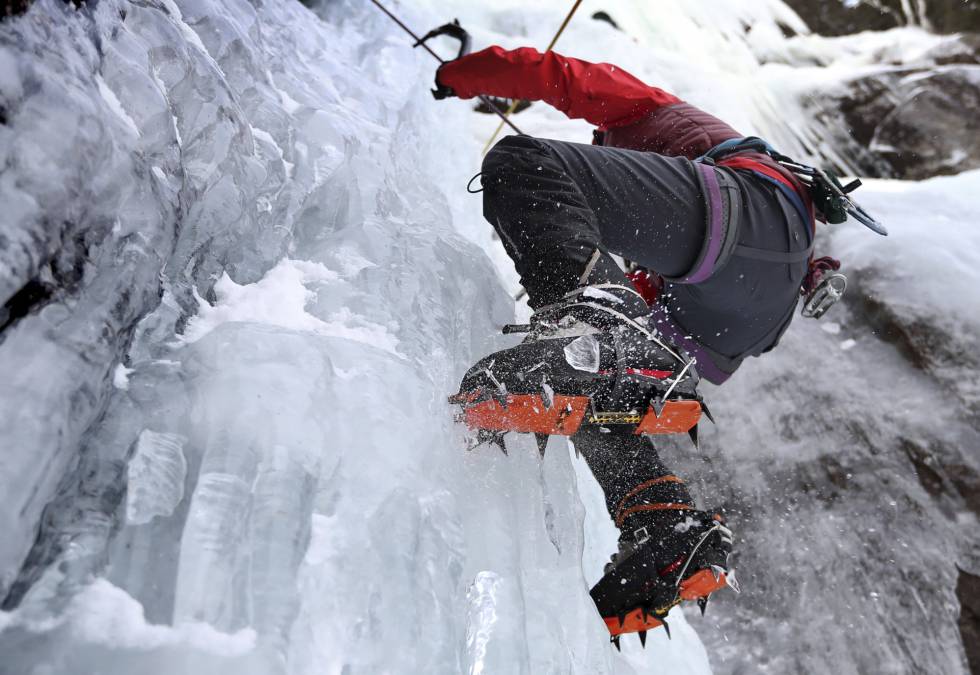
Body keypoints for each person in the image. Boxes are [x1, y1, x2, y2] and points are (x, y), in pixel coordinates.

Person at [437, 45, 818, 643]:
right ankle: (662, 520)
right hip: (747, 312)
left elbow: (560, 75)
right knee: (596, 380)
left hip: (750, 211)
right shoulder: (660, 219)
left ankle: (604, 327)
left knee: (520, 161)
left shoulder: (645, 113)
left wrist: (458, 75)